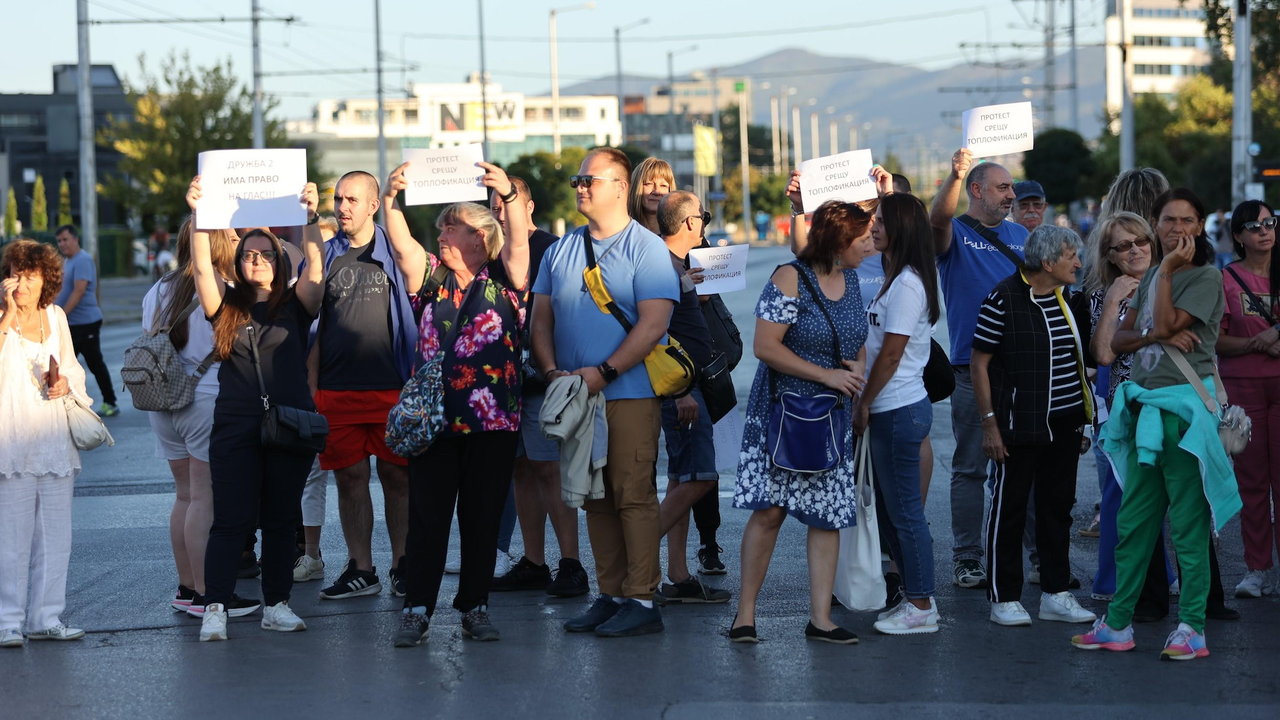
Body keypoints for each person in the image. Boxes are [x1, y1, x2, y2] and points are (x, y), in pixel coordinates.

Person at [1072, 187, 1241, 661]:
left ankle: (1192, 628)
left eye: (1186, 220)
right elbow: (1125, 339)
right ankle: (1119, 624)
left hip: (1185, 415)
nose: (1176, 229)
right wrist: (1152, 328)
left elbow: (1167, 322)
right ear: (1157, 223)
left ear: (1200, 225)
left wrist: (1163, 276)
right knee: (1134, 524)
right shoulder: (1147, 278)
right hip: (1146, 411)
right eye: (1167, 220)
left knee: (1188, 528)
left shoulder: (1205, 277)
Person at [530, 147, 679, 638]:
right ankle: (611, 594)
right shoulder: (560, 250)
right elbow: (541, 320)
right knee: (592, 496)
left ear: (620, 186)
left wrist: (605, 372)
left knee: (632, 495)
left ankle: (642, 598)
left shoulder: (646, 248)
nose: (580, 187)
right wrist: (552, 370)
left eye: (589, 179)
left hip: (628, 393)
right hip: (577, 396)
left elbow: (654, 323)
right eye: (577, 179)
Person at [381, 161, 530, 647]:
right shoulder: (429, 278)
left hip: (494, 421)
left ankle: (475, 606)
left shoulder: (506, 280)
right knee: (428, 518)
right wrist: (390, 199)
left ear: (482, 238)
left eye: (455, 226)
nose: (443, 233)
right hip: (436, 421)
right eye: (442, 225)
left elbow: (520, 244)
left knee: (482, 517)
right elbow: (402, 244)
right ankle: (417, 609)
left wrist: (505, 194)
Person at [185, 177, 325, 642]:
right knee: (231, 519)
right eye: (249, 253)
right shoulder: (225, 306)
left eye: (266, 253)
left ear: (280, 260)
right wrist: (200, 215)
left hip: (290, 424)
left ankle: (277, 604)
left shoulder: (297, 303)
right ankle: (216, 607)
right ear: (240, 262)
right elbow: (202, 267)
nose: (258, 259)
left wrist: (310, 220)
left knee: (283, 521)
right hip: (235, 425)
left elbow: (318, 274)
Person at [729, 199, 871, 645]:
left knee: (826, 518)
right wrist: (827, 375)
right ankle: (745, 616)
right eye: (863, 238)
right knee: (770, 513)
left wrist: (857, 372)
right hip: (783, 416)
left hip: (831, 419)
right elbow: (765, 346)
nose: (870, 244)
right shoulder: (789, 277)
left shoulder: (851, 280)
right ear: (838, 241)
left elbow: (856, 340)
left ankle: (821, 619)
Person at [970, 224, 1097, 627]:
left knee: (1057, 510)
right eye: (1071, 255)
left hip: (1066, 423)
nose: (1079, 262)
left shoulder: (1069, 299)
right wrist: (989, 424)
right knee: (1009, 509)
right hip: (1017, 425)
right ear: (1047, 262)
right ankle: (1003, 597)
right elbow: (979, 363)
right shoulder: (1003, 298)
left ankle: (1056, 594)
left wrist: (1082, 420)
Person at [315, 170, 419, 602]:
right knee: (350, 478)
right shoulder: (324, 256)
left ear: (374, 205)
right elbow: (310, 326)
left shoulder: (393, 251)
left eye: (353, 199)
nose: (342, 207)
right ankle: (362, 568)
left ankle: (403, 565)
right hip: (336, 390)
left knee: (398, 476)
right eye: (339, 199)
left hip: (390, 387)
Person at [929, 148, 1029, 590]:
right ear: (976, 190)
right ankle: (967, 558)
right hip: (972, 372)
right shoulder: (954, 234)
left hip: (1025, 371)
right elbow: (934, 223)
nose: (1012, 195)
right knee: (971, 467)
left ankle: (1037, 555)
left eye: (1012, 188)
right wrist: (953, 174)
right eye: (1003, 187)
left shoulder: (1026, 237)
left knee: (1025, 464)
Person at [488, 176, 588, 598]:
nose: (499, 212)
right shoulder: (486, 254)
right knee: (520, 470)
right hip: (501, 381)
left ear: (526, 207)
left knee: (549, 467)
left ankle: (571, 563)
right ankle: (534, 561)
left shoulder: (554, 247)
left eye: (506, 204)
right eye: (492, 206)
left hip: (545, 376)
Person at [141, 218, 240, 614]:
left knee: (184, 497)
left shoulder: (159, 288)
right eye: (230, 238)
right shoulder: (219, 286)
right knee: (204, 499)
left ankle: (185, 588)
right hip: (204, 399)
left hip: (162, 399)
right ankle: (206, 593)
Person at [857, 191, 944, 635]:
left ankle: (922, 604)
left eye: (880, 222)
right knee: (893, 513)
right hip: (892, 408)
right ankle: (914, 596)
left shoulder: (908, 283)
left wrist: (864, 402)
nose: (872, 228)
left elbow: (891, 356)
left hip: (898, 408)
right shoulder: (897, 277)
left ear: (901, 230)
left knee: (906, 513)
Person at [0, 240, 89, 647]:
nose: (20, 284)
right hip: (12, 440)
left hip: (53, 439)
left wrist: (66, 382)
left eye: (30, 275)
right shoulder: (1, 317)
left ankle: (46, 617)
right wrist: (5, 318)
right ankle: (7, 621)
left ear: (45, 280)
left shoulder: (56, 316)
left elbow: (71, 366)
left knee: (56, 535)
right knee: (11, 538)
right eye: (15, 273)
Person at [1083, 211, 1170, 602]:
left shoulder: (1175, 285)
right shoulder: (1103, 295)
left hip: (1173, 402)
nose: (1135, 250)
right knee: (1123, 495)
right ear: (1111, 256)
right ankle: (1114, 583)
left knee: (1176, 497)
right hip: (1126, 406)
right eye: (1123, 245)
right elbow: (1102, 353)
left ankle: (1166, 580)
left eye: (1141, 241)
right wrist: (1115, 299)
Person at [651, 191, 731, 605]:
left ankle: (678, 576)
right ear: (689, 224)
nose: (704, 223)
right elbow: (656, 333)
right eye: (703, 216)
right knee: (699, 477)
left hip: (689, 385)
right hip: (681, 388)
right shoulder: (662, 266)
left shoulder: (676, 265)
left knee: (684, 476)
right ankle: (637, 555)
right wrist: (682, 391)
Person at [1216, 200, 1280, 598]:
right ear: (1238, 236)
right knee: (1252, 482)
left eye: (1270, 222)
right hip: (1241, 388)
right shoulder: (1224, 279)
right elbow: (1216, 340)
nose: (1264, 230)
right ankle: (1256, 568)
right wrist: (1257, 343)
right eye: (1254, 226)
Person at [294, 216, 339, 583]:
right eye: (313, 247)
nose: (318, 253)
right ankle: (310, 553)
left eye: (324, 245)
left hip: (340, 386)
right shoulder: (298, 287)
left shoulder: (343, 282)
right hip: (307, 391)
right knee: (311, 474)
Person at [54, 224, 119, 417]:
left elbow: (79, 290)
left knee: (94, 362)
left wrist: (61, 316)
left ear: (75, 239)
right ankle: (65, 403)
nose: (62, 244)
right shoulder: (67, 261)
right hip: (72, 323)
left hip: (85, 322)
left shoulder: (82, 260)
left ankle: (110, 402)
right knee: (63, 363)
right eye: (59, 241)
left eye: (65, 240)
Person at [628, 157, 675, 235]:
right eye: (649, 184)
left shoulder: (683, 234)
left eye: (663, 185)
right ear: (635, 187)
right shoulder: (620, 233)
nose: (657, 191)